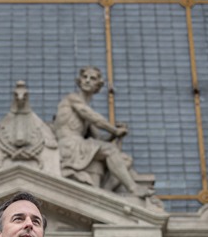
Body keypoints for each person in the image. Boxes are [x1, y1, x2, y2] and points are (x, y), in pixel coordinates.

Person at [53, 66, 151, 198]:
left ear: (97, 86)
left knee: (125, 159)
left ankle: (104, 194)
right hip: (69, 146)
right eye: (85, 77)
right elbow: (94, 118)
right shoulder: (72, 99)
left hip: (78, 146)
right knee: (110, 150)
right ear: (79, 81)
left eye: (92, 78)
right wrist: (114, 130)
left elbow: (99, 139)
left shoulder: (85, 113)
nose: (87, 81)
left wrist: (113, 136)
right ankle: (133, 188)